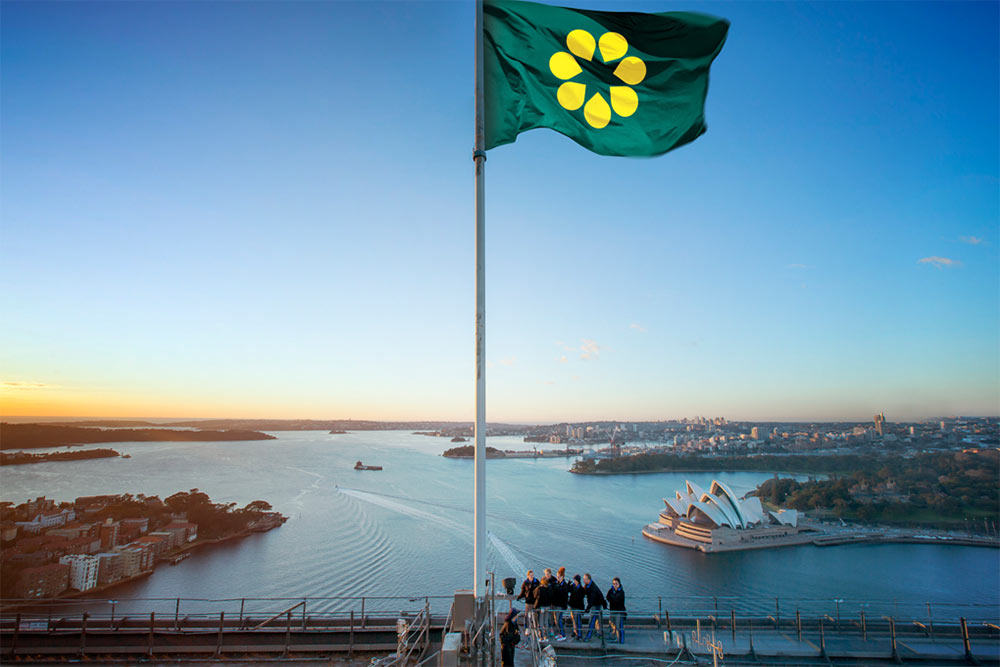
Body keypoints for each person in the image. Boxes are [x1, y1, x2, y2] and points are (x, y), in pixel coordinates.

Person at [581, 573, 606, 642]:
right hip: (596, 604)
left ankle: (588, 636)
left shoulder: (593, 588)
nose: (583, 580)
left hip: (596, 605)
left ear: (588, 579)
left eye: (584, 579)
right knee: (598, 620)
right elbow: (583, 592)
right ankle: (599, 633)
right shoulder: (588, 585)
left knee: (592, 620)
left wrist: (587, 609)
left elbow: (591, 600)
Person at [515, 570, 540, 637]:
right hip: (528, 601)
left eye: (532, 575)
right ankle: (527, 628)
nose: (532, 576)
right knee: (527, 615)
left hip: (535, 602)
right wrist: (519, 597)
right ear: (528, 576)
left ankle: (536, 629)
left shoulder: (536, 582)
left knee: (535, 615)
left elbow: (539, 591)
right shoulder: (525, 582)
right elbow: (523, 591)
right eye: (530, 575)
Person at [550, 567, 569, 641]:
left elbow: (564, 596)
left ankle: (563, 634)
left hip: (560, 605)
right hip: (556, 604)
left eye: (558, 576)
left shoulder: (564, 585)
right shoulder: (557, 583)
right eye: (557, 576)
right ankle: (560, 633)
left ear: (562, 577)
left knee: (559, 620)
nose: (557, 578)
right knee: (556, 620)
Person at [606, 577, 626, 643]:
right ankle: (612, 637)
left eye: (616, 584)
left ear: (619, 584)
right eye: (614, 584)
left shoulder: (621, 592)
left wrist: (612, 598)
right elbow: (607, 597)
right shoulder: (611, 590)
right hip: (612, 610)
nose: (615, 585)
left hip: (619, 611)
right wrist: (612, 598)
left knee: (618, 626)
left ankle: (619, 639)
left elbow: (616, 600)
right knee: (611, 624)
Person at [567, 574, 585, 640]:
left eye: (575, 580)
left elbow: (581, 598)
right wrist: (568, 584)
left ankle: (579, 634)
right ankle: (574, 631)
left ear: (577, 580)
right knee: (574, 620)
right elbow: (568, 590)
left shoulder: (581, 589)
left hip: (578, 607)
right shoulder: (573, 586)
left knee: (578, 620)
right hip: (572, 606)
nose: (574, 581)